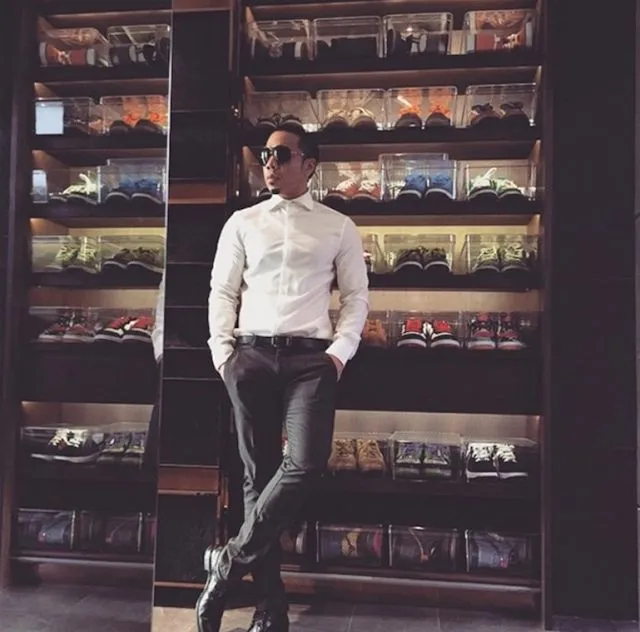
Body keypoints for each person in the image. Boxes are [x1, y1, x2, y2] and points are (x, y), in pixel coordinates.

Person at [196, 125, 369, 632]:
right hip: (249, 357)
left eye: (280, 155)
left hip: (311, 362)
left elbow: (356, 297)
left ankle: (227, 565)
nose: (268, 163)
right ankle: (271, 610)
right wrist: (222, 354)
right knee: (258, 480)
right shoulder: (242, 222)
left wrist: (339, 353)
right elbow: (222, 291)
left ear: (308, 164)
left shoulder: (338, 226)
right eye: (265, 155)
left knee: (306, 462)